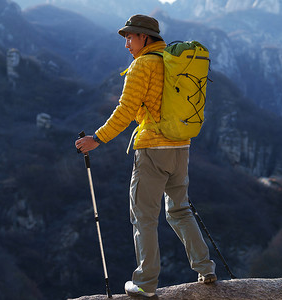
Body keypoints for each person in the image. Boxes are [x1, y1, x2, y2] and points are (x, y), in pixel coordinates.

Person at [75, 14, 216, 298]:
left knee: (144, 217)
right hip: (181, 146)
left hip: (152, 149)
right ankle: (206, 268)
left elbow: (126, 111)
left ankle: (145, 283)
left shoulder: (142, 66)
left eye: (130, 37)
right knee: (180, 210)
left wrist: (97, 138)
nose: (126, 43)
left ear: (144, 38)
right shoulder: (172, 62)